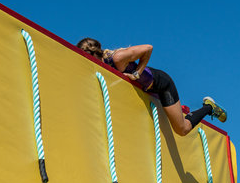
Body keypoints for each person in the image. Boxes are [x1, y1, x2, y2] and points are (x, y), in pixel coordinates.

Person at [77, 38, 227, 136]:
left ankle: (209, 107)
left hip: (162, 85)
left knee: (182, 129)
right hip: (148, 91)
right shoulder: (103, 70)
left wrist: (137, 73)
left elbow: (148, 48)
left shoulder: (117, 58)